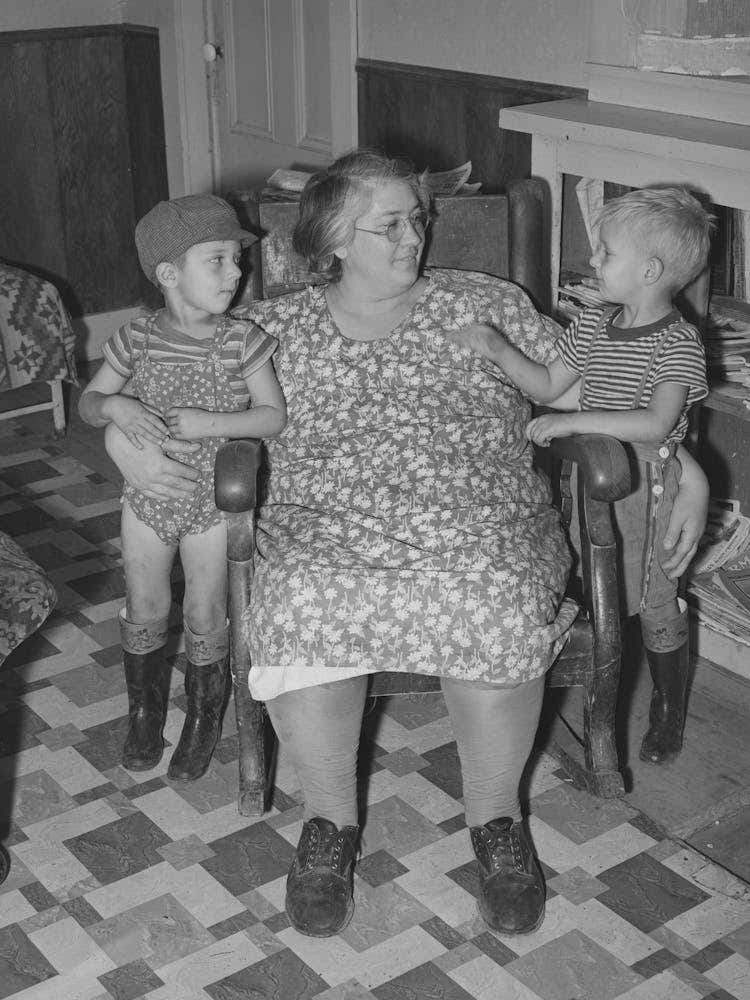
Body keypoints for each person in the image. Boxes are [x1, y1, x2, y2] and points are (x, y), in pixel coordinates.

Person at [103, 152, 710, 940]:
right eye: (389, 223)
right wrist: (119, 422)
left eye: (417, 219)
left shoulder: (485, 301)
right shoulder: (270, 330)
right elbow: (159, 392)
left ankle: (497, 825)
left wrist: (682, 462)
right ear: (332, 238)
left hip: (478, 513)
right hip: (324, 519)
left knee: (491, 593)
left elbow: (591, 387)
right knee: (303, 596)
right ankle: (330, 827)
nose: (413, 235)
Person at [449, 186, 713, 768]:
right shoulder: (595, 323)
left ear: (649, 271)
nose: (593, 262)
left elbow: (657, 424)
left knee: (655, 600)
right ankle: (590, 692)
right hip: (590, 479)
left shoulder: (678, 342)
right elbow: (545, 384)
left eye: (605, 253)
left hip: (650, 488)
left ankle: (667, 709)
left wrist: (575, 419)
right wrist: (495, 347)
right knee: (592, 586)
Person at [79, 195, 287, 782]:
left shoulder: (242, 342)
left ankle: (202, 715)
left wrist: (212, 423)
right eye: (217, 260)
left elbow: (272, 417)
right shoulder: (135, 339)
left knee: (205, 608)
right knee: (145, 603)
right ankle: (144, 711)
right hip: (146, 500)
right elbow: (89, 404)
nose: (235, 272)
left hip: (212, 503)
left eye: (237, 260)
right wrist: (115, 403)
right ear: (169, 274)